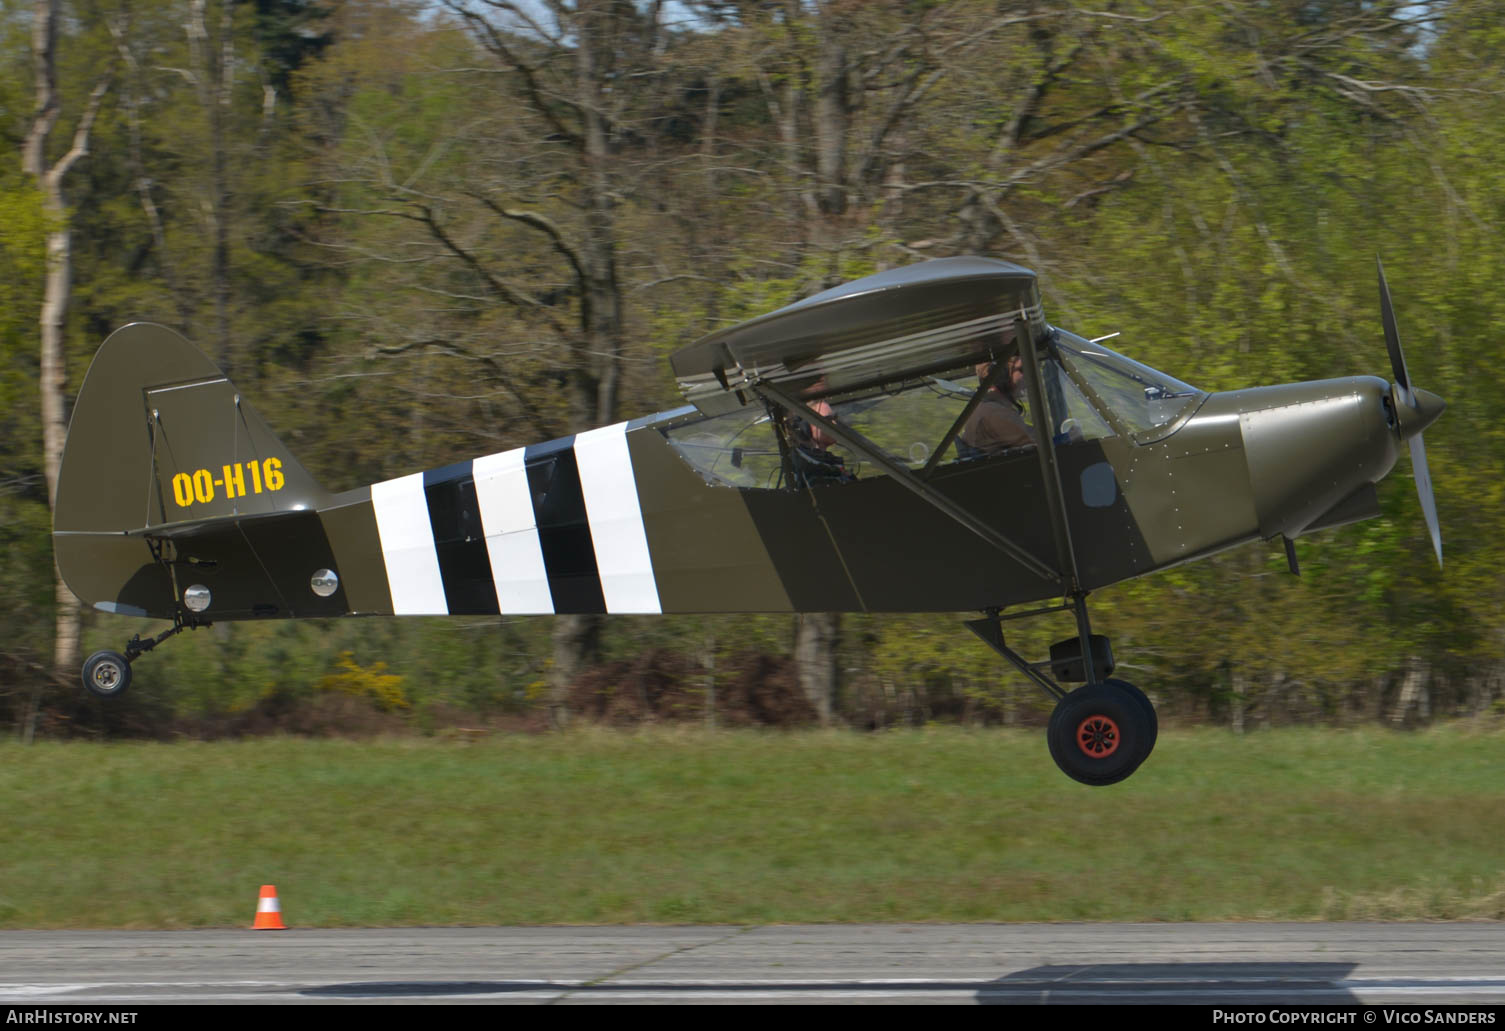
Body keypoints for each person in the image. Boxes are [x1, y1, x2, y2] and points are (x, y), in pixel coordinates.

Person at [957, 353, 1035, 457]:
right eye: (1021, 370)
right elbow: (1040, 448)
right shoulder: (995, 412)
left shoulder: (988, 407)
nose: (1028, 376)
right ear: (1001, 374)